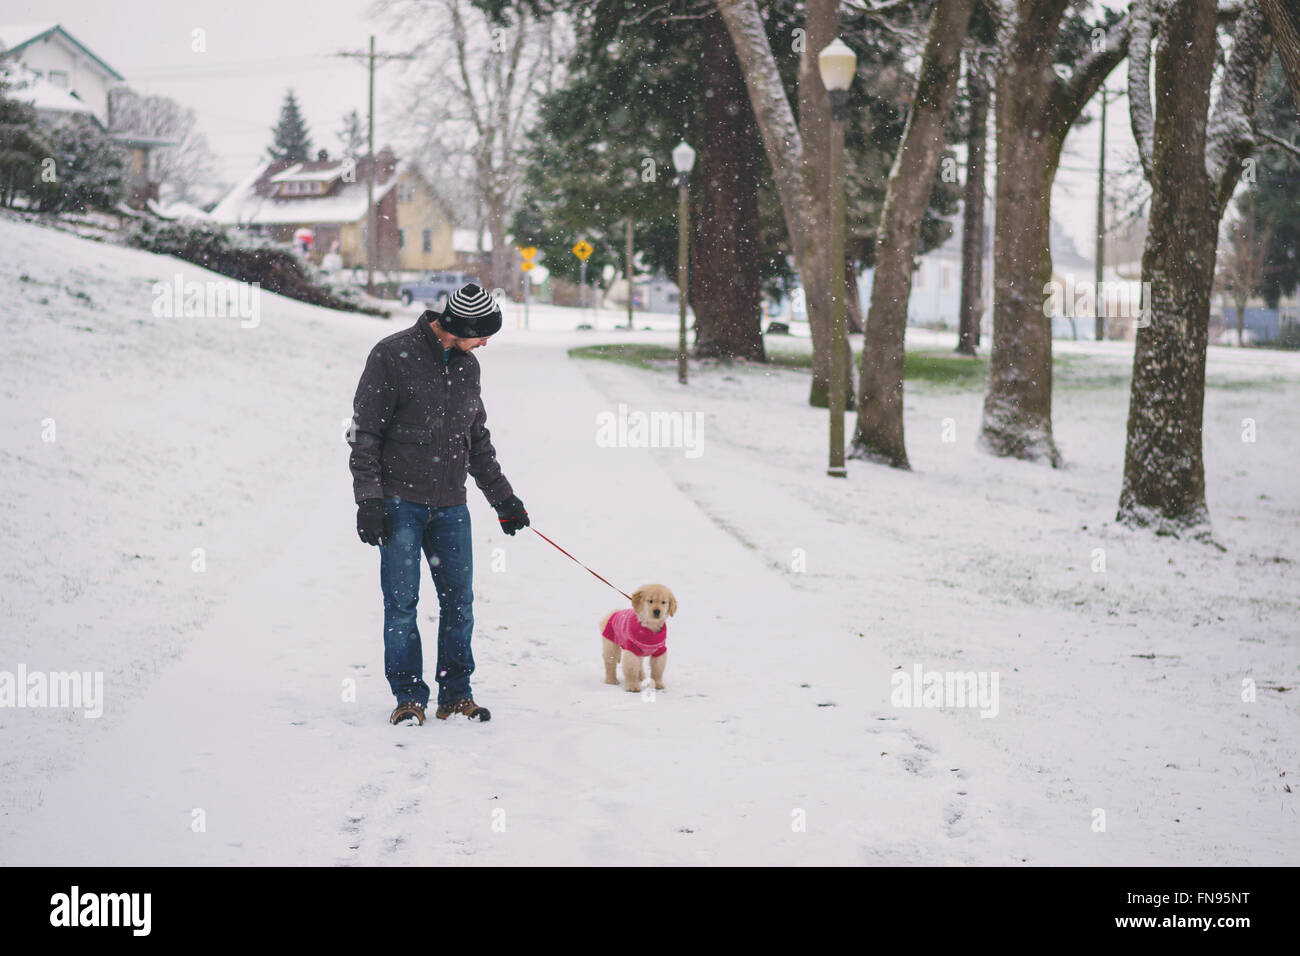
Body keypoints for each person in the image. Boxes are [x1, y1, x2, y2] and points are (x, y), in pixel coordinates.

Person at [348, 284, 529, 726]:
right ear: (459, 327)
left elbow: (476, 439)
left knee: (460, 604)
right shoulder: (392, 355)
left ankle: (455, 694)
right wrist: (369, 499)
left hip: (451, 506)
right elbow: (364, 433)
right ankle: (409, 697)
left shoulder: (468, 367)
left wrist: (503, 498)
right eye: (482, 334)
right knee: (402, 604)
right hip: (399, 503)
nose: (485, 343)